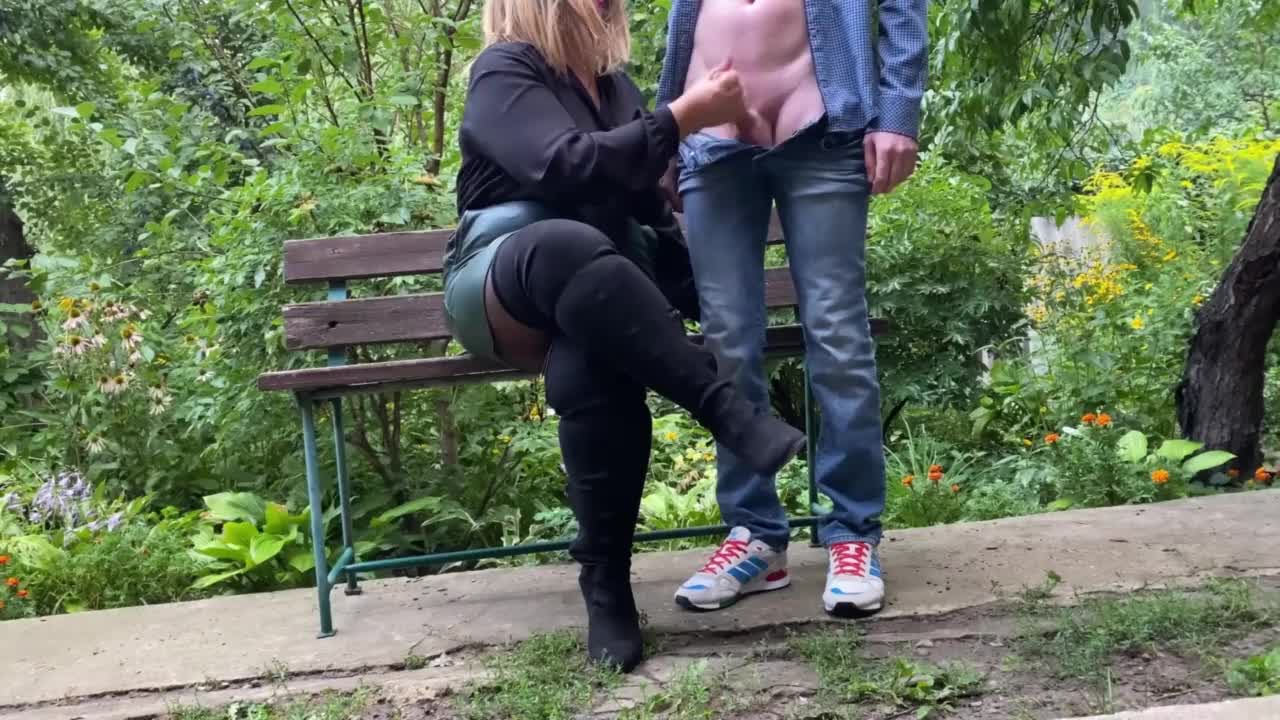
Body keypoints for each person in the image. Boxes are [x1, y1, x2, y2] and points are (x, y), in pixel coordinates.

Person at [444, 0, 808, 672]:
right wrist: (681, 117)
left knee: (593, 361)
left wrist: (719, 305)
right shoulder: (505, 70)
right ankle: (723, 409)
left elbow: (650, 216)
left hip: (600, 298)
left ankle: (606, 587)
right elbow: (563, 165)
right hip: (503, 283)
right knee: (564, 243)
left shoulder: (616, 91)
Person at [656, 0, 927, 617]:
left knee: (837, 334)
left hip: (823, 128)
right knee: (726, 342)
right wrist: (665, 130)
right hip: (710, 139)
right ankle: (754, 536)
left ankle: (852, 533)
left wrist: (898, 113)